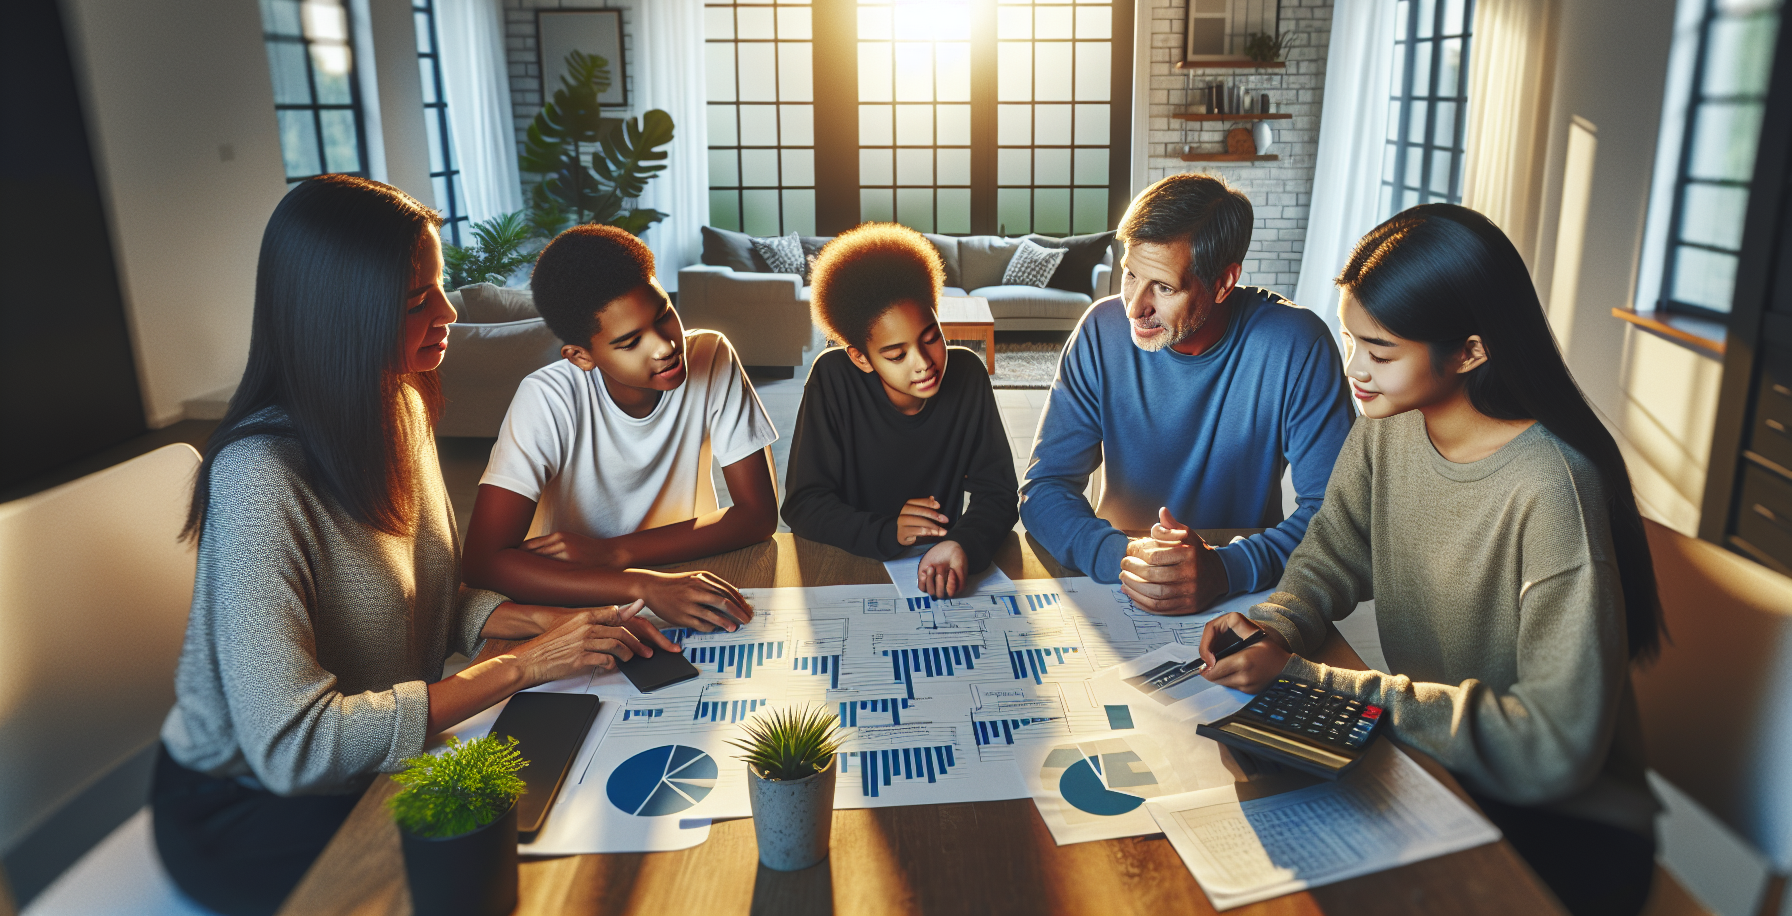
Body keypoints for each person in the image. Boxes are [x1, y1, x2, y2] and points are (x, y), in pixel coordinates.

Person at [155, 176, 677, 916]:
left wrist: (530, 623)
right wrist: (524, 666)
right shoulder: (257, 478)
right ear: (336, 316)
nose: (449, 313)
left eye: (439, 286)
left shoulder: (399, 401)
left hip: (375, 760)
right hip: (253, 811)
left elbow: (423, 601)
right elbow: (293, 747)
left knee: (584, 810)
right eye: (416, 301)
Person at [1199, 204, 1663, 916]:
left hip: (1561, 825)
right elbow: (1334, 552)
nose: (1355, 370)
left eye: (1379, 352)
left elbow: (1552, 746)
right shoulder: (1391, 423)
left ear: (1471, 351)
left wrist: (1313, 682)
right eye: (1354, 341)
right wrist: (1275, 624)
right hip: (1436, 767)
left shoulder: (1552, 487)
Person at [1021, 173, 1356, 614]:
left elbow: (1336, 516)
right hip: (1119, 580)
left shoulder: (1297, 344)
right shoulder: (1101, 331)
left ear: (1222, 283)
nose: (1134, 307)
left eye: (1163, 287)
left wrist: (1227, 569)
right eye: (1130, 274)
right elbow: (1045, 487)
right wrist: (1121, 558)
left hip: (1243, 593)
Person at [462, 225, 777, 631]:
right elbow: (483, 563)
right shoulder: (547, 398)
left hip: (688, 573)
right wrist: (640, 586)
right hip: (577, 595)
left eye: (664, 315)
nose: (664, 346)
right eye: (630, 342)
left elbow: (757, 515)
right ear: (581, 356)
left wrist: (615, 553)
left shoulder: (711, 355)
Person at [783, 224, 1017, 597]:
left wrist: (963, 543)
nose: (924, 363)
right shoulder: (833, 379)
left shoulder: (968, 375)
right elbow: (803, 505)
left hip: (938, 566)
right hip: (849, 567)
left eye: (932, 338)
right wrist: (887, 531)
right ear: (861, 358)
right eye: (896, 355)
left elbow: (999, 493)